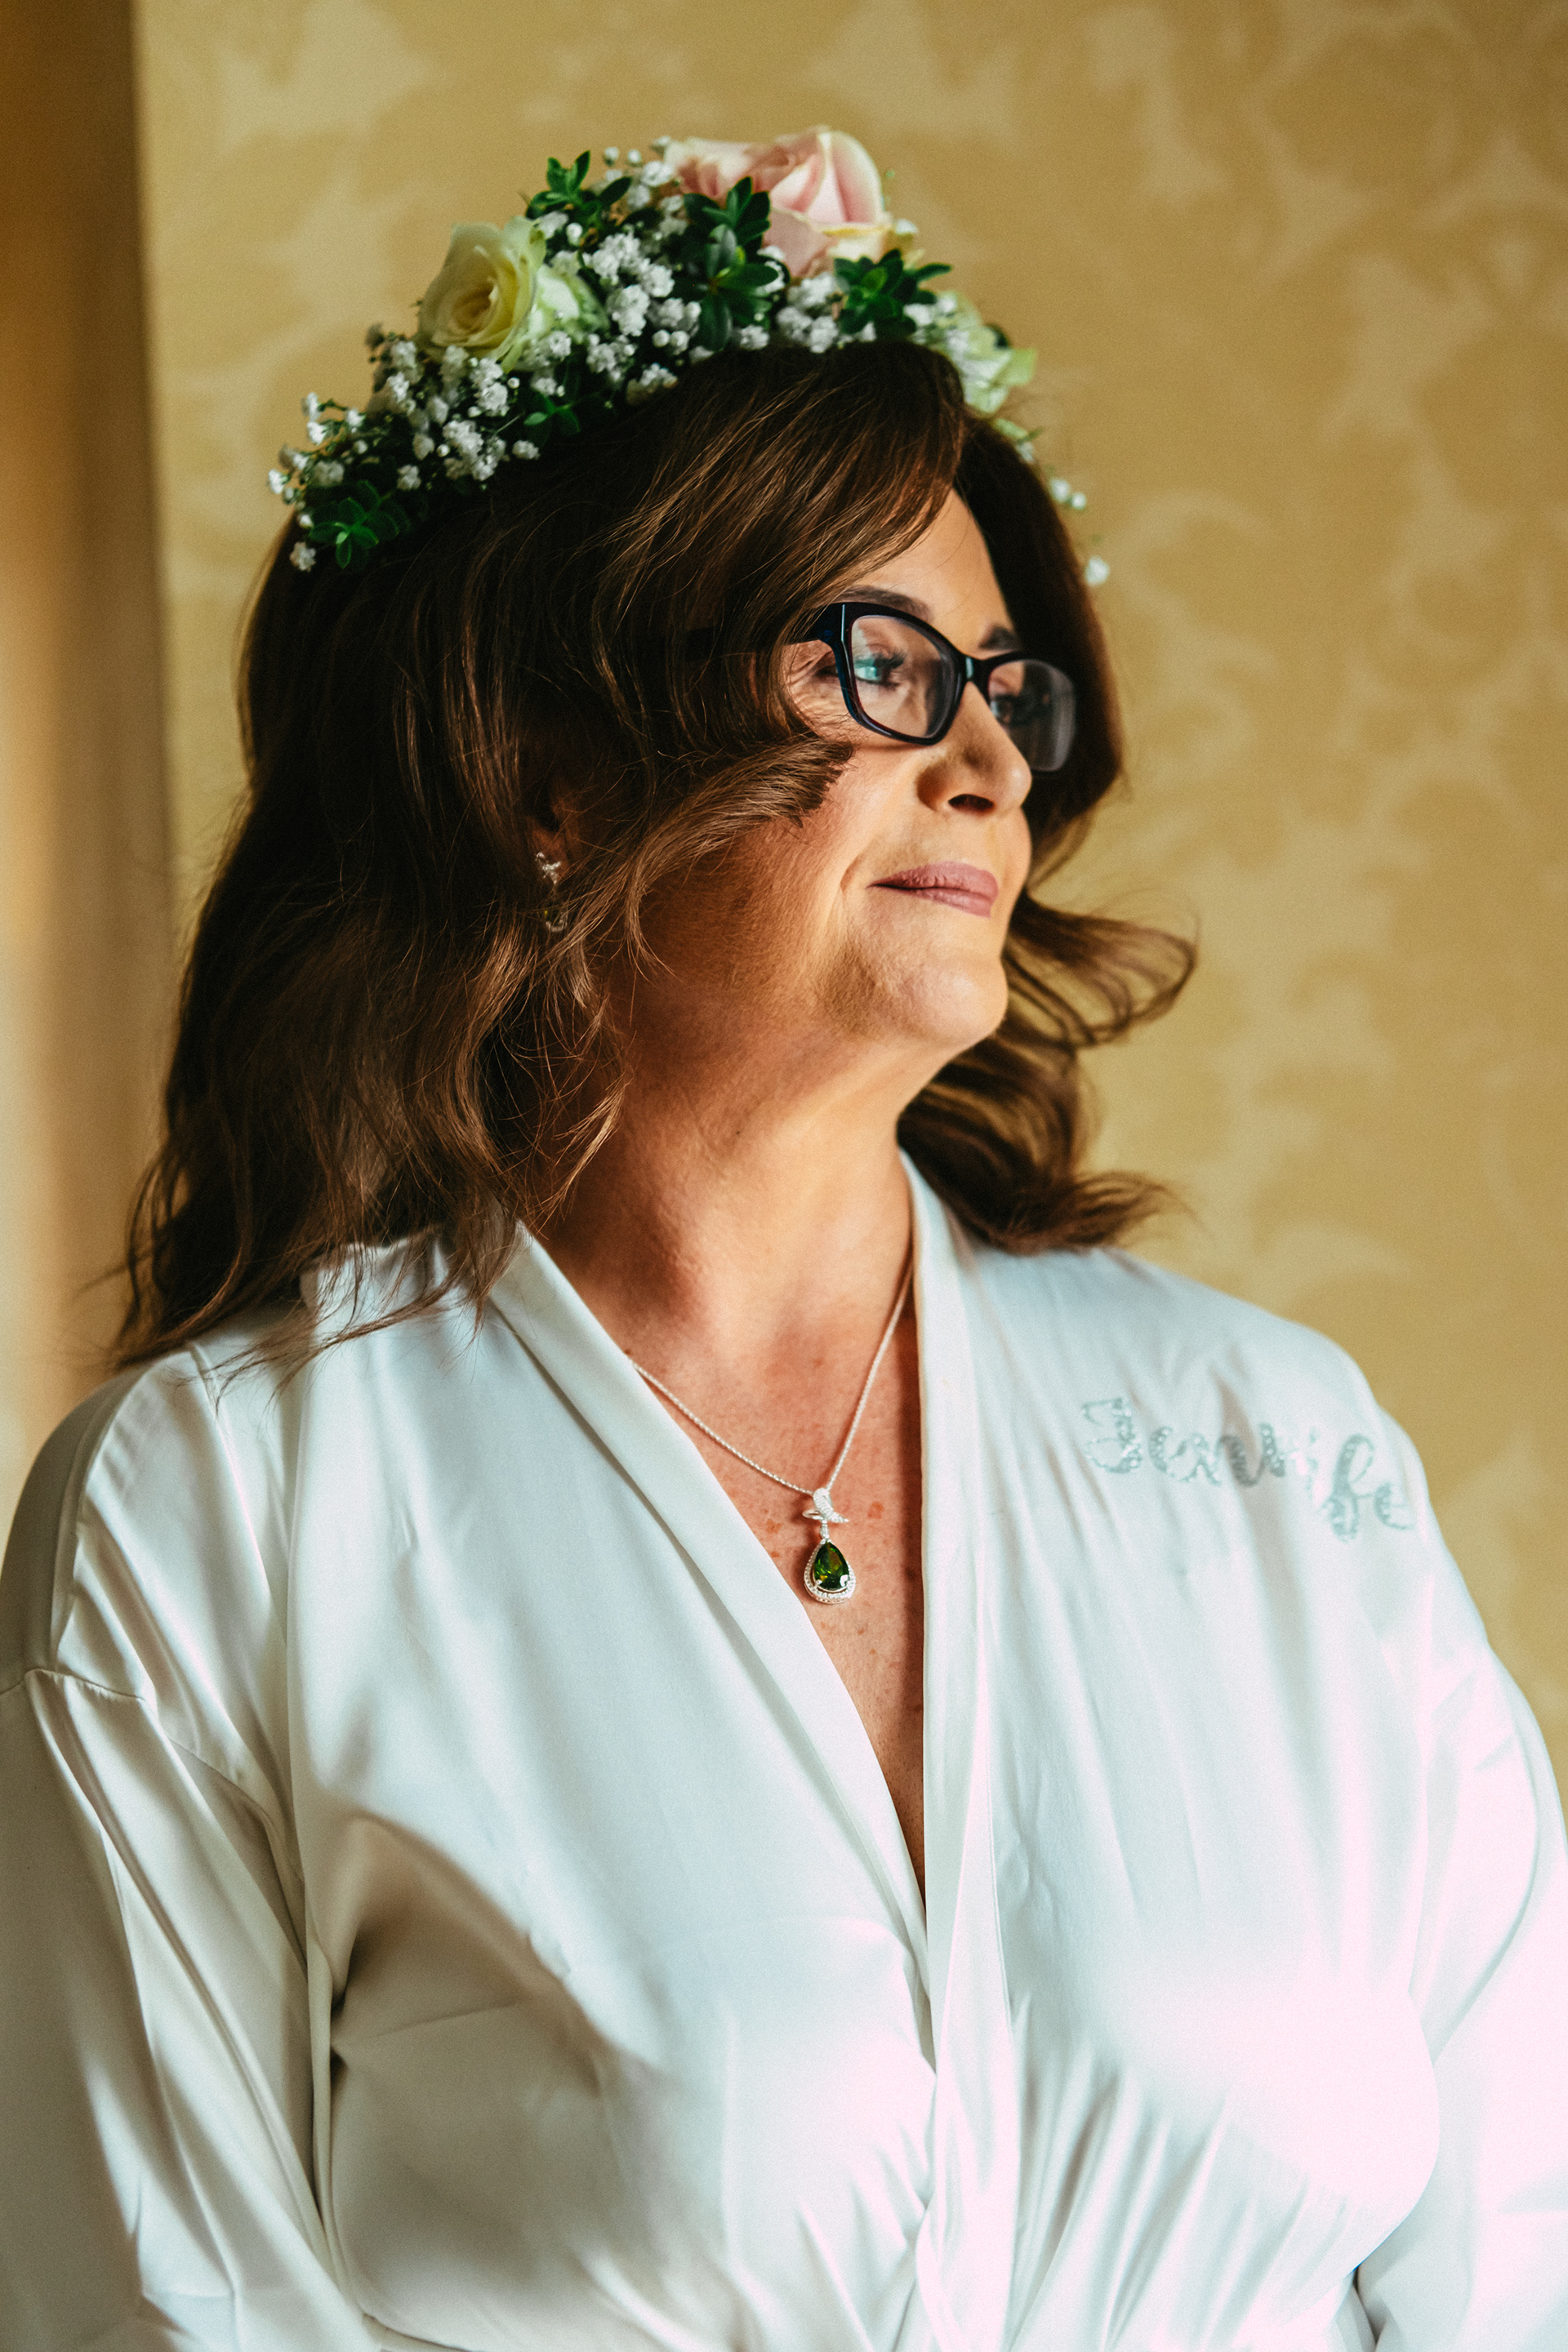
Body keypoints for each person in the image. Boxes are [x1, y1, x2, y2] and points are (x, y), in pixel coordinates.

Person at [2, 128, 1565, 2352]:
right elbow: (162, 2303)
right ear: (552, 768)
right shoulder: (218, 1510)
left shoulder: (1275, 1451)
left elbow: (1518, 2249)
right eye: (878, 663)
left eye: (1007, 685)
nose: (989, 764)